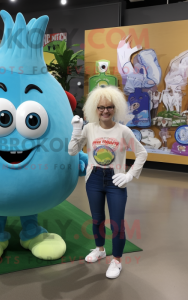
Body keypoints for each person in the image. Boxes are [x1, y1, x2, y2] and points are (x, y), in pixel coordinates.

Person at [68, 85, 147, 279]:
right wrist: (76, 131)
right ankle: (100, 249)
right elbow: (71, 151)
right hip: (94, 178)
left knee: (117, 222)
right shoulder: (89, 128)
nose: (105, 111)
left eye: (109, 107)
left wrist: (129, 175)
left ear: (116, 108)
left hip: (115, 180)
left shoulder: (123, 131)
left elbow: (142, 153)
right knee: (97, 219)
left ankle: (117, 260)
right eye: (101, 107)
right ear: (94, 109)